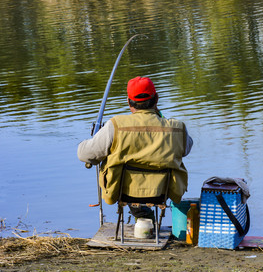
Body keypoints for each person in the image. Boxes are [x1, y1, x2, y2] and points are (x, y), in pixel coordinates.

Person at [77, 76, 193, 220]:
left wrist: (93, 138)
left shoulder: (116, 125)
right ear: (156, 99)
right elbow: (186, 149)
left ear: (128, 101)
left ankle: (143, 220)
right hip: (162, 193)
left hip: (123, 192)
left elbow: (84, 154)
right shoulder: (177, 128)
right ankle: (147, 220)